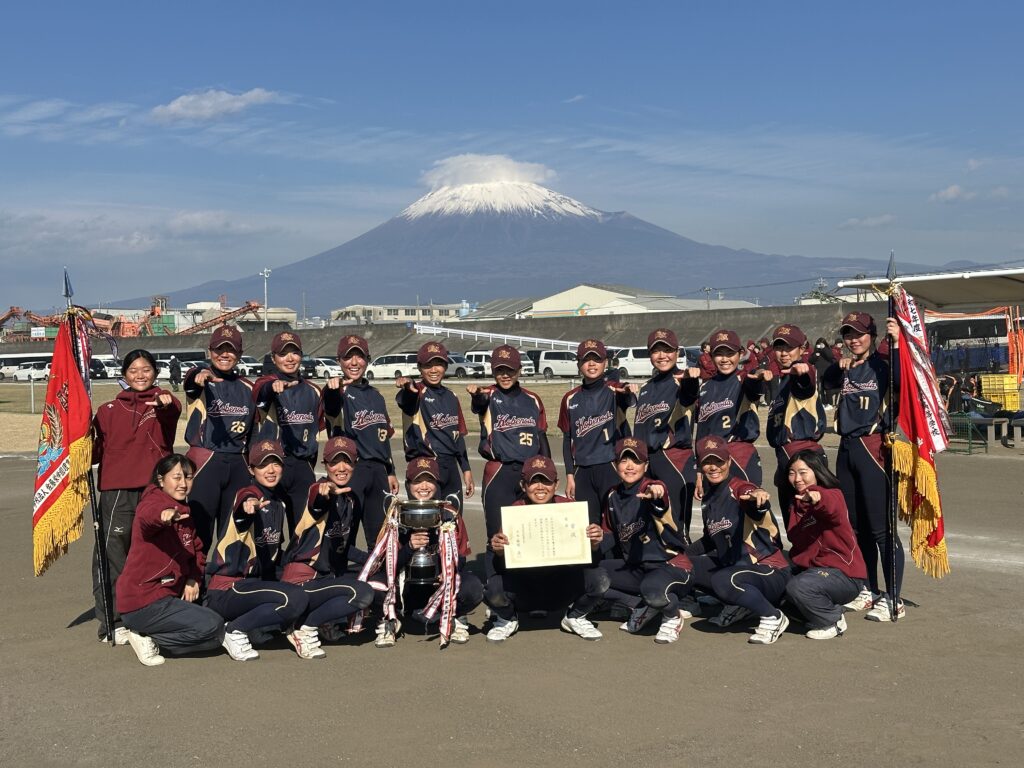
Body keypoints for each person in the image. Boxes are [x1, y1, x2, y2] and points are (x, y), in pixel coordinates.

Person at [91, 349, 181, 644]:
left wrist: (166, 401)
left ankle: (155, 612)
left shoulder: (164, 403)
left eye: (146, 369)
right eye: (133, 370)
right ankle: (113, 621)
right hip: (117, 494)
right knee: (113, 555)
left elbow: (171, 410)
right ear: (125, 374)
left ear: (155, 372)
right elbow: (94, 452)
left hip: (154, 492)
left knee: (157, 554)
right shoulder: (107, 411)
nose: (140, 375)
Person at [822, 312, 905, 622]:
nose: (853, 339)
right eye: (848, 334)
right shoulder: (845, 369)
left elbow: (902, 379)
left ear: (872, 336)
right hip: (846, 448)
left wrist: (895, 344)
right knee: (858, 528)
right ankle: (869, 589)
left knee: (882, 529)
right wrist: (836, 364)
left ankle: (894, 597)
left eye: (859, 334)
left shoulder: (882, 366)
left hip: (873, 449)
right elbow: (826, 380)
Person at [204, 439, 310, 660]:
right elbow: (244, 503)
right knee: (295, 599)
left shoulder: (278, 502)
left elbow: (273, 555)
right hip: (228, 588)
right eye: (263, 465)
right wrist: (248, 506)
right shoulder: (247, 494)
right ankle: (234, 630)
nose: (271, 470)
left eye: (276, 464)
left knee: (307, 587)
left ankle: (256, 625)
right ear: (251, 469)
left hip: (254, 584)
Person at [116, 454, 226, 666]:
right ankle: (149, 640)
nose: (183, 484)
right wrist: (164, 515)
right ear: (160, 480)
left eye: (188, 477)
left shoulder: (185, 514)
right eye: (176, 477)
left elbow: (198, 551)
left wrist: (193, 578)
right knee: (212, 626)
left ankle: (154, 634)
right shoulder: (153, 503)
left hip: (170, 594)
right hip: (143, 601)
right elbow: (149, 517)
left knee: (215, 627)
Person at [484, 455, 606, 643]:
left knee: (600, 579)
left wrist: (594, 543)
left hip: (560, 587)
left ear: (556, 484)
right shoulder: (513, 514)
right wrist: (500, 551)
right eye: (533, 482)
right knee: (492, 588)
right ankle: (507, 618)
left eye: (546, 481)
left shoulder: (571, 509)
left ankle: (575, 616)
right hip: (524, 590)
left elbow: (592, 560)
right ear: (523, 485)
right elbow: (500, 568)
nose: (540, 487)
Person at [684, 436, 791, 644]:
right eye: (707, 462)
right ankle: (743, 604)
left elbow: (752, 499)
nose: (713, 467)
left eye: (719, 461)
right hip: (740, 570)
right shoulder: (710, 496)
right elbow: (710, 539)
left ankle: (773, 616)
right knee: (682, 565)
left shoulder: (740, 488)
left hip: (768, 570)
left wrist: (757, 497)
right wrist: (680, 556)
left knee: (723, 580)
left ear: (729, 462)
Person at [371, 457, 483, 648]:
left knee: (473, 586)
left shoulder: (449, 513)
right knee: (372, 585)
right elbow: (386, 565)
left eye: (429, 480)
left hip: (439, 588)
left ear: (437, 484)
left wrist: (447, 572)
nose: (424, 486)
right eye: (417, 481)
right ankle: (389, 619)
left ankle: (454, 616)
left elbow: (462, 556)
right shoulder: (395, 515)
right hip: (406, 590)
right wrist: (409, 548)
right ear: (408, 484)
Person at [590, 438, 693, 645]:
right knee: (589, 576)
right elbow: (610, 534)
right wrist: (596, 541)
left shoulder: (651, 487)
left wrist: (656, 493)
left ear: (646, 465)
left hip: (670, 566)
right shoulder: (612, 495)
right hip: (636, 568)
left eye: (636, 461)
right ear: (615, 464)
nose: (629, 466)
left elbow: (659, 495)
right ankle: (643, 605)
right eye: (624, 460)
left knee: (653, 591)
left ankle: (671, 616)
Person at [281, 436, 375, 659]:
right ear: (325, 465)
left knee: (372, 576)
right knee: (362, 594)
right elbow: (317, 497)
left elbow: (341, 547)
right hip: (302, 579)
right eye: (334, 462)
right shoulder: (318, 490)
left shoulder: (351, 500)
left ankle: (320, 619)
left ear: (355, 463)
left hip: (325, 578)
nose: (341, 468)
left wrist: (375, 559)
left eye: (347, 461)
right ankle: (304, 629)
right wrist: (324, 492)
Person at [467, 345, 550, 580]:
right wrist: (476, 395)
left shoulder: (532, 399)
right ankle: (497, 594)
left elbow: (541, 435)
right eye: (500, 370)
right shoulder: (488, 394)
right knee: (497, 534)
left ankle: (527, 584)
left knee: (532, 529)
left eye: (510, 370)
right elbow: (479, 404)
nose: (505, 375)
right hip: (499, 471)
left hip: (529, 471)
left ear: (519, 370)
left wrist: (548, 472)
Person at [183, 325, 255, 553]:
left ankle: (225, 583)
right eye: (219, 349)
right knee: (199, 530)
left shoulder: (248, 388)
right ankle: (195, 583)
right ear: (209, 351)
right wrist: (200, 375)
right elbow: (191, 381)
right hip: (205, 462)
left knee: (232, 531)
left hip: (238, 465)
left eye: (231, 350)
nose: (224, 354)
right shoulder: (201, 378)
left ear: (240, 354)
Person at [322, 334, 399, 548]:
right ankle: (339, 578)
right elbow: (330, 405)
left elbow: (383, 436)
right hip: (352, 470)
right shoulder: (336, 391)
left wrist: (390, 470)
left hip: (378, 471)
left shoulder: (376, 395)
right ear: (339, 361)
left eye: (360, 357)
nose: (354, 363)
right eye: (348, 358)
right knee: (345, 533)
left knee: (379, 534)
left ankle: (374, 577)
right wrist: (332, 389)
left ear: (368, 359)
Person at [783, 450, 868, 639]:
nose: (797, 478)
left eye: (803, 472)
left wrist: (816, 499)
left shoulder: (831, 494)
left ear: (817, 471)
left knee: (799, 587)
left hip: (843, 575)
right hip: (813, 571)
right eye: (791, 472)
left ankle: (832, 620)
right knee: (773, 574)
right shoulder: (796, 505)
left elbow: (828, 505)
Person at [629, 328, 698, 542]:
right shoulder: (648, 387)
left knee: (676, 526)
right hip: (649, 461)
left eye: (667, 350)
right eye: (656, 351)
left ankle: (685, 570)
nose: (662, 356)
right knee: (651, 522)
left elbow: (688, 396)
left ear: (677, 352)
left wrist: (692, 380)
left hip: (674, 459)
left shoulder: (683, 379)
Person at [557, 338, 635, 525]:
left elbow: (627, 397)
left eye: (597, 359)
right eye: (586, 360)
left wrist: (627, 390)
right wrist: (569, 475)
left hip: (610, 466)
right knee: (588, 527)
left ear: (605, 363)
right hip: (582, 471)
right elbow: (567, 439)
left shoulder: (614, 391)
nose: (591, 364)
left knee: (617, 523)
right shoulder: (570, 398)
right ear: (579, 364)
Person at [252, 331, 323, 534]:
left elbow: (316, 429)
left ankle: (298, 565)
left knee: (303, 528)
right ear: (274, 358)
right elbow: (261, 395)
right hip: (272, 466)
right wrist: (273, 387)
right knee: (269, 531)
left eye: (295, 353)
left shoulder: (313, 390)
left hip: (302, 467)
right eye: (283, 354)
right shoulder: (264, 383)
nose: (290, 359)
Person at [679, 329, 766, 485]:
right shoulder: (706, 386)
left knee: (746, 506)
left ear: (740, 353)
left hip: (739, 456)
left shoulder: (745, 379)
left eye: (730, 353)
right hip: (710, 459)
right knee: (714, 509)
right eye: (719, 354)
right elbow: (702, 431)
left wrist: (758, 378)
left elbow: (754, 389)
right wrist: (699, 468)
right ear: (711, 356)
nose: (725, 359)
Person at [395, 341, 474, 511]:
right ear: (419, 367)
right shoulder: (416, 391)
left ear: (445, 366)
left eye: (438, 364)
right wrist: (407, 386)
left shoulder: (451, 396)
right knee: (425, 524)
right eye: (427, 365)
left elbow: (457, 436)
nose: (433, 370)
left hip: (450, 467)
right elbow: (405, 400)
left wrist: (466, 469)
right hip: (424, 466)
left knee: (453, 522)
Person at [763, 324, 827, 525]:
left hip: (804, 457)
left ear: (802, 349)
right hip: (785, 457)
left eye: (789, 348)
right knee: (793, 524)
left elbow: (805, 387)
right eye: (779, 348)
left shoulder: (802, 372)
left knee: (809, 523)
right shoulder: (782, 379)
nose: (783, 353)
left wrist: (803, 374)